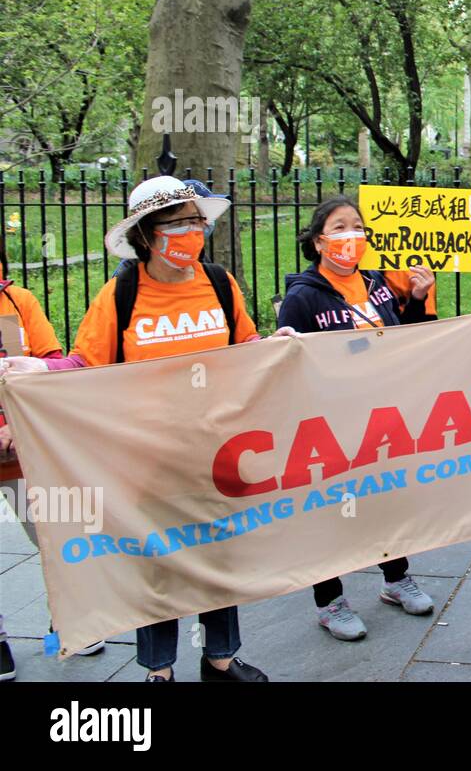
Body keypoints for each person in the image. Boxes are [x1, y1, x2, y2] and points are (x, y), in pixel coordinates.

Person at [6, 176, 289, 681]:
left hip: (217, 450)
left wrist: (277, 344)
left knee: (217, 556)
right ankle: (159, 671)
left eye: (195, 221)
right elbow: (86, 363)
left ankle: (221, 659)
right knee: (157, 563)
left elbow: (247, 348)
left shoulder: (221, 283)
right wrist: (42, 371)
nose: (191, 232)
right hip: (147, 457)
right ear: (146, 235)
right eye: (177, 223)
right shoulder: (122, 295)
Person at [276, 197, 438, 641]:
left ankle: (394, 579)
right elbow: (287, 362)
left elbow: (405, 341)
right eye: (340, 227)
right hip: (329, 424)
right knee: (330, 513)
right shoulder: (303, 297)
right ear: (318, 241)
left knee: (386, 500)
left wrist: (419, 300)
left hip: (381, 417)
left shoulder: (378, 285)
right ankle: (330, 602)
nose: (352, 235)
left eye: (358, 227)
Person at [0, 249, 103, 679]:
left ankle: (69, 616)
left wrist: (8, 422)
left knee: (52, 532)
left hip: (19, 448)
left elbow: (45, 361)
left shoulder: (18, 301)